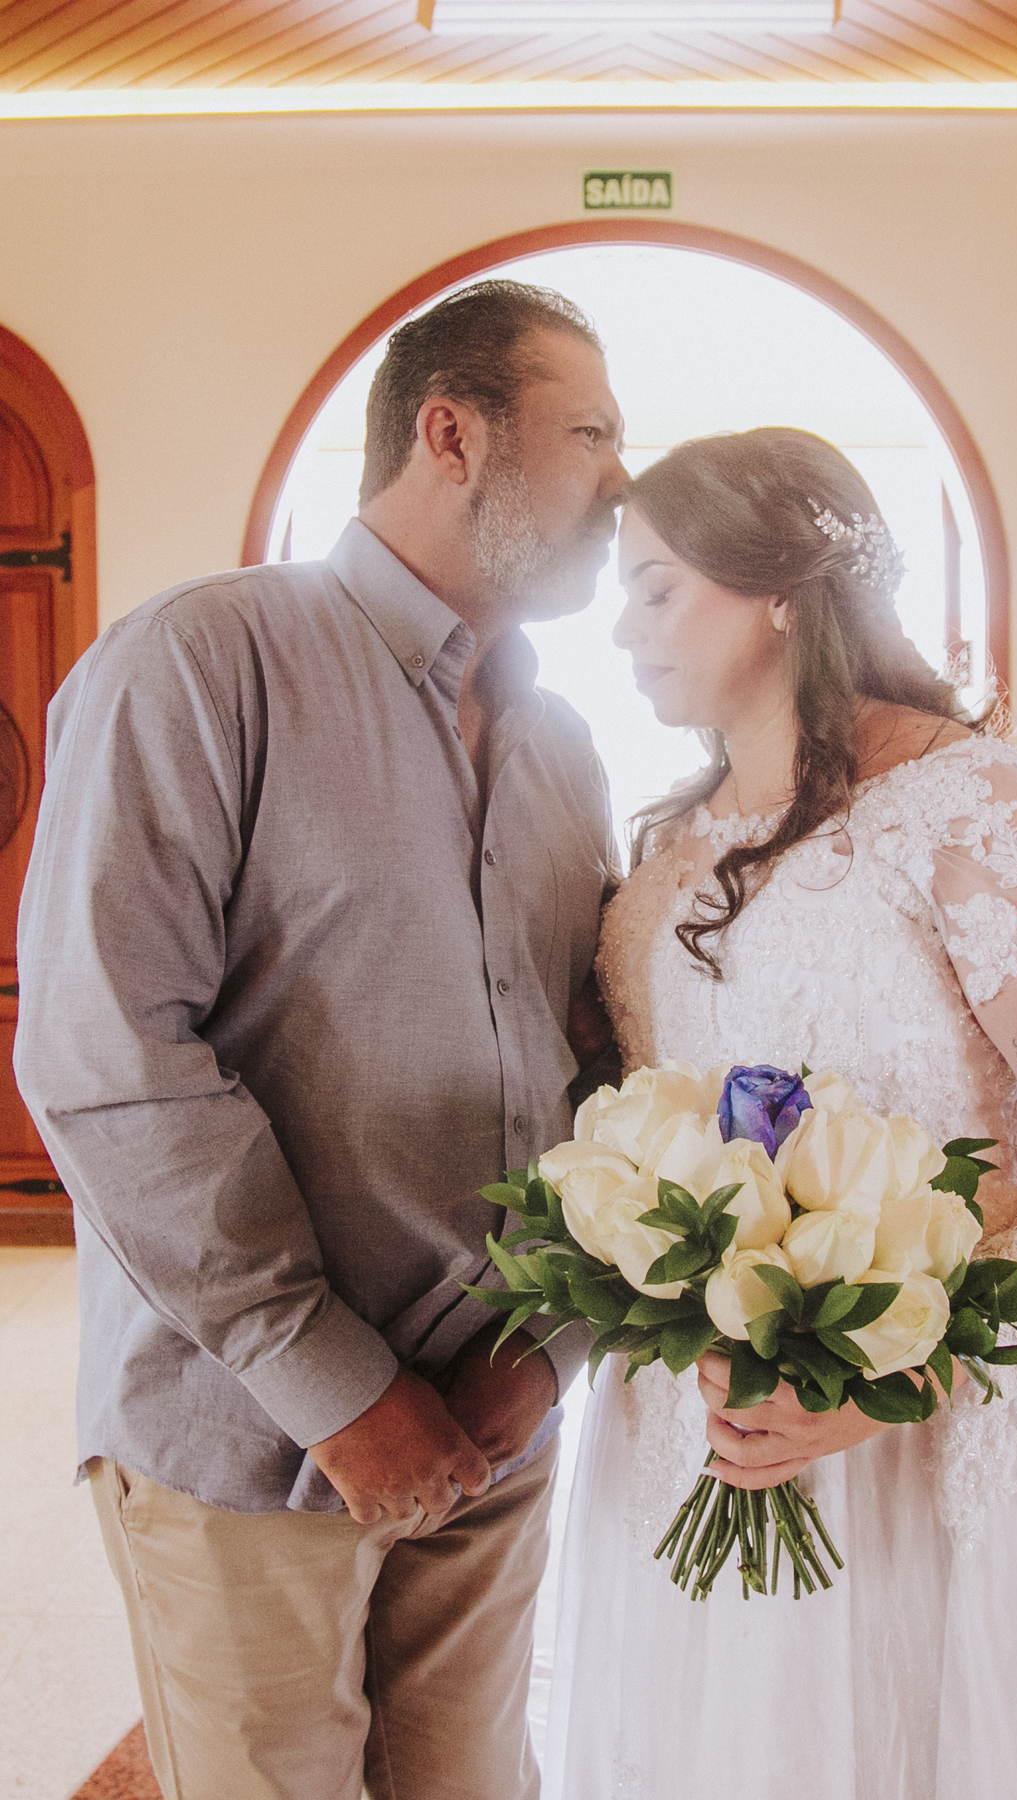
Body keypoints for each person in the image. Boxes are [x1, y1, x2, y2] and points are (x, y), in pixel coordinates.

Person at [14, 278, 627, 1800]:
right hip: (252, 1433)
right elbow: (109, 1057)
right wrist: (341, 1389)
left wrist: (545, 1352)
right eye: (592, 435)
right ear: (451, 435)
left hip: (497, 1419)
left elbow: (597, 1065)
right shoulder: (197, 664)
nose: (625, 482)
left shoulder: (562, 745)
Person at [545, 429, 1017, 1800]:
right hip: (709, 1416)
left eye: (657, 589)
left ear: (781, 590)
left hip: (944, 1417)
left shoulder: (966, 809)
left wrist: (902, 1372)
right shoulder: (669, 846)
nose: (623, 630)